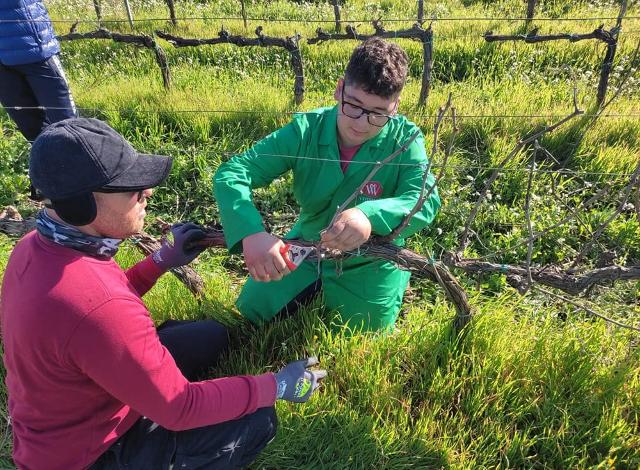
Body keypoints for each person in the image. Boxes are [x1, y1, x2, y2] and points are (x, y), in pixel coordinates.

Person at [0, 118, 326, 470]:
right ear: (84, 204)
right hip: (89, 455)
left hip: (73, 411)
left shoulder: (37, 246)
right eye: (131, 188)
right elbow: (180, 407)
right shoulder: (99, 306)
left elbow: (99, 303)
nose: (147, 193)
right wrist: (275, 386)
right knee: (258, 419)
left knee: (210, 336)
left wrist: (160, 261)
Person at [214, 37, 441, 332]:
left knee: (363, 336)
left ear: (395, 106)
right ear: (339, 89)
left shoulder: (406, 140)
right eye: (354, 105)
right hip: (308, 244)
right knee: (252, 313)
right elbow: (234, 172)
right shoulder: (306, 130)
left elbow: (425, 198)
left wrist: (369, 216)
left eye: (378, 113)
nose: (361, 123)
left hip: (372, 259)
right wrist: (251, 233)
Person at [0, 0, 77, 141]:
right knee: (32, 130)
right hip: (4, 64)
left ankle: (80, 153)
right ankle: (49, 155)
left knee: (68, 125)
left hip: (33, 48)